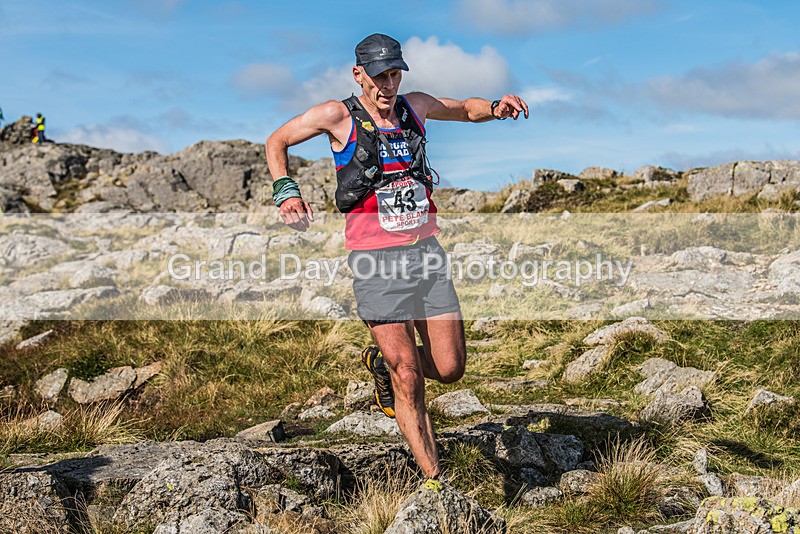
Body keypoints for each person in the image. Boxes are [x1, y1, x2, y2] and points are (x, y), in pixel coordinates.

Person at [265, 33, 529, 482]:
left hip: (427, 256)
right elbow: (277, 141)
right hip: (375, 262)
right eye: (379, 76)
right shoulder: (337, 115)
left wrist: (496, 108)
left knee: (449, 368)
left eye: (395, 74)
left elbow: (464, 108)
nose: (388, 85)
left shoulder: (415, 107)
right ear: (358, 74)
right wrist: (286, 193)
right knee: (409, 375)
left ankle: (383, 369)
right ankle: (437, 484)